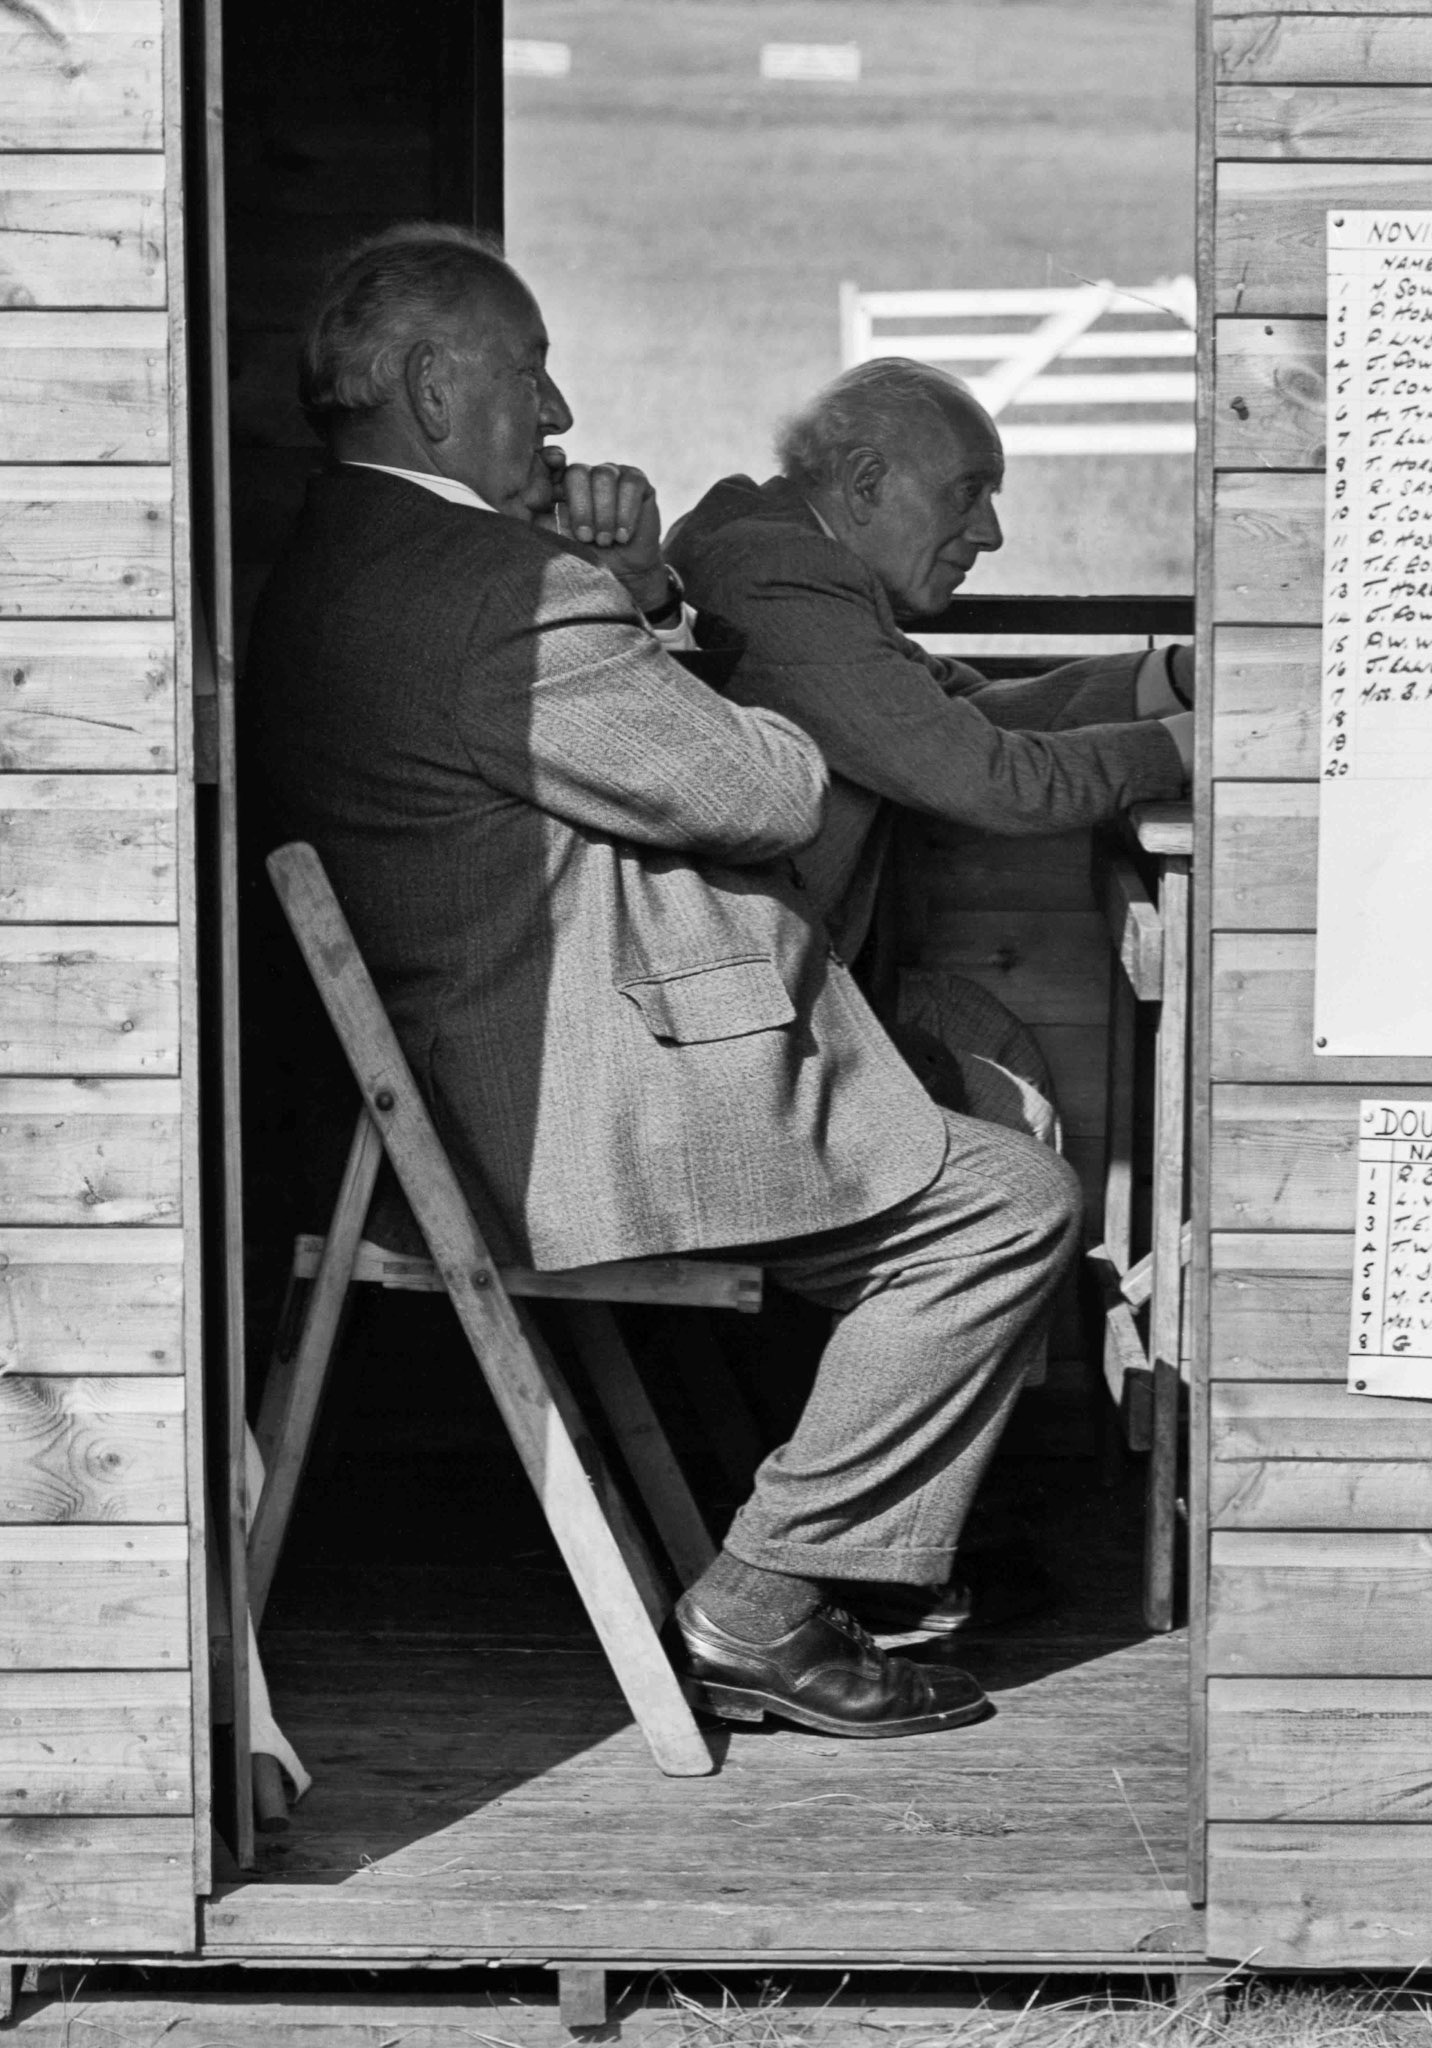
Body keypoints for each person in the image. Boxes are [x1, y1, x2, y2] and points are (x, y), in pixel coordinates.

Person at [246, 222, 1083, 1743]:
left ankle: (876, 1562)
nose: (561, 417)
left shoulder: (341, 551)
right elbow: (767, 790)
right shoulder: (504, 592)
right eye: (534, 374)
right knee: (1003, 1202)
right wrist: (634, 586)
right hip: (556, 1120)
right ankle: (768, 1598)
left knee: (924, 1093)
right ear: (436, 391)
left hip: (452, 1087)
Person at [666, 360, 1194, 1142]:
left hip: (807, 986)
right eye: (967, 492)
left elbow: (966, 715)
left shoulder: (798, 554)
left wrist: (1171, 677)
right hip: (763, 1025)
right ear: (868, 481)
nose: (990, 531)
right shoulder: (776, 576)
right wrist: (1200, 746)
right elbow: (993, 778)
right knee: (1016, 1133)